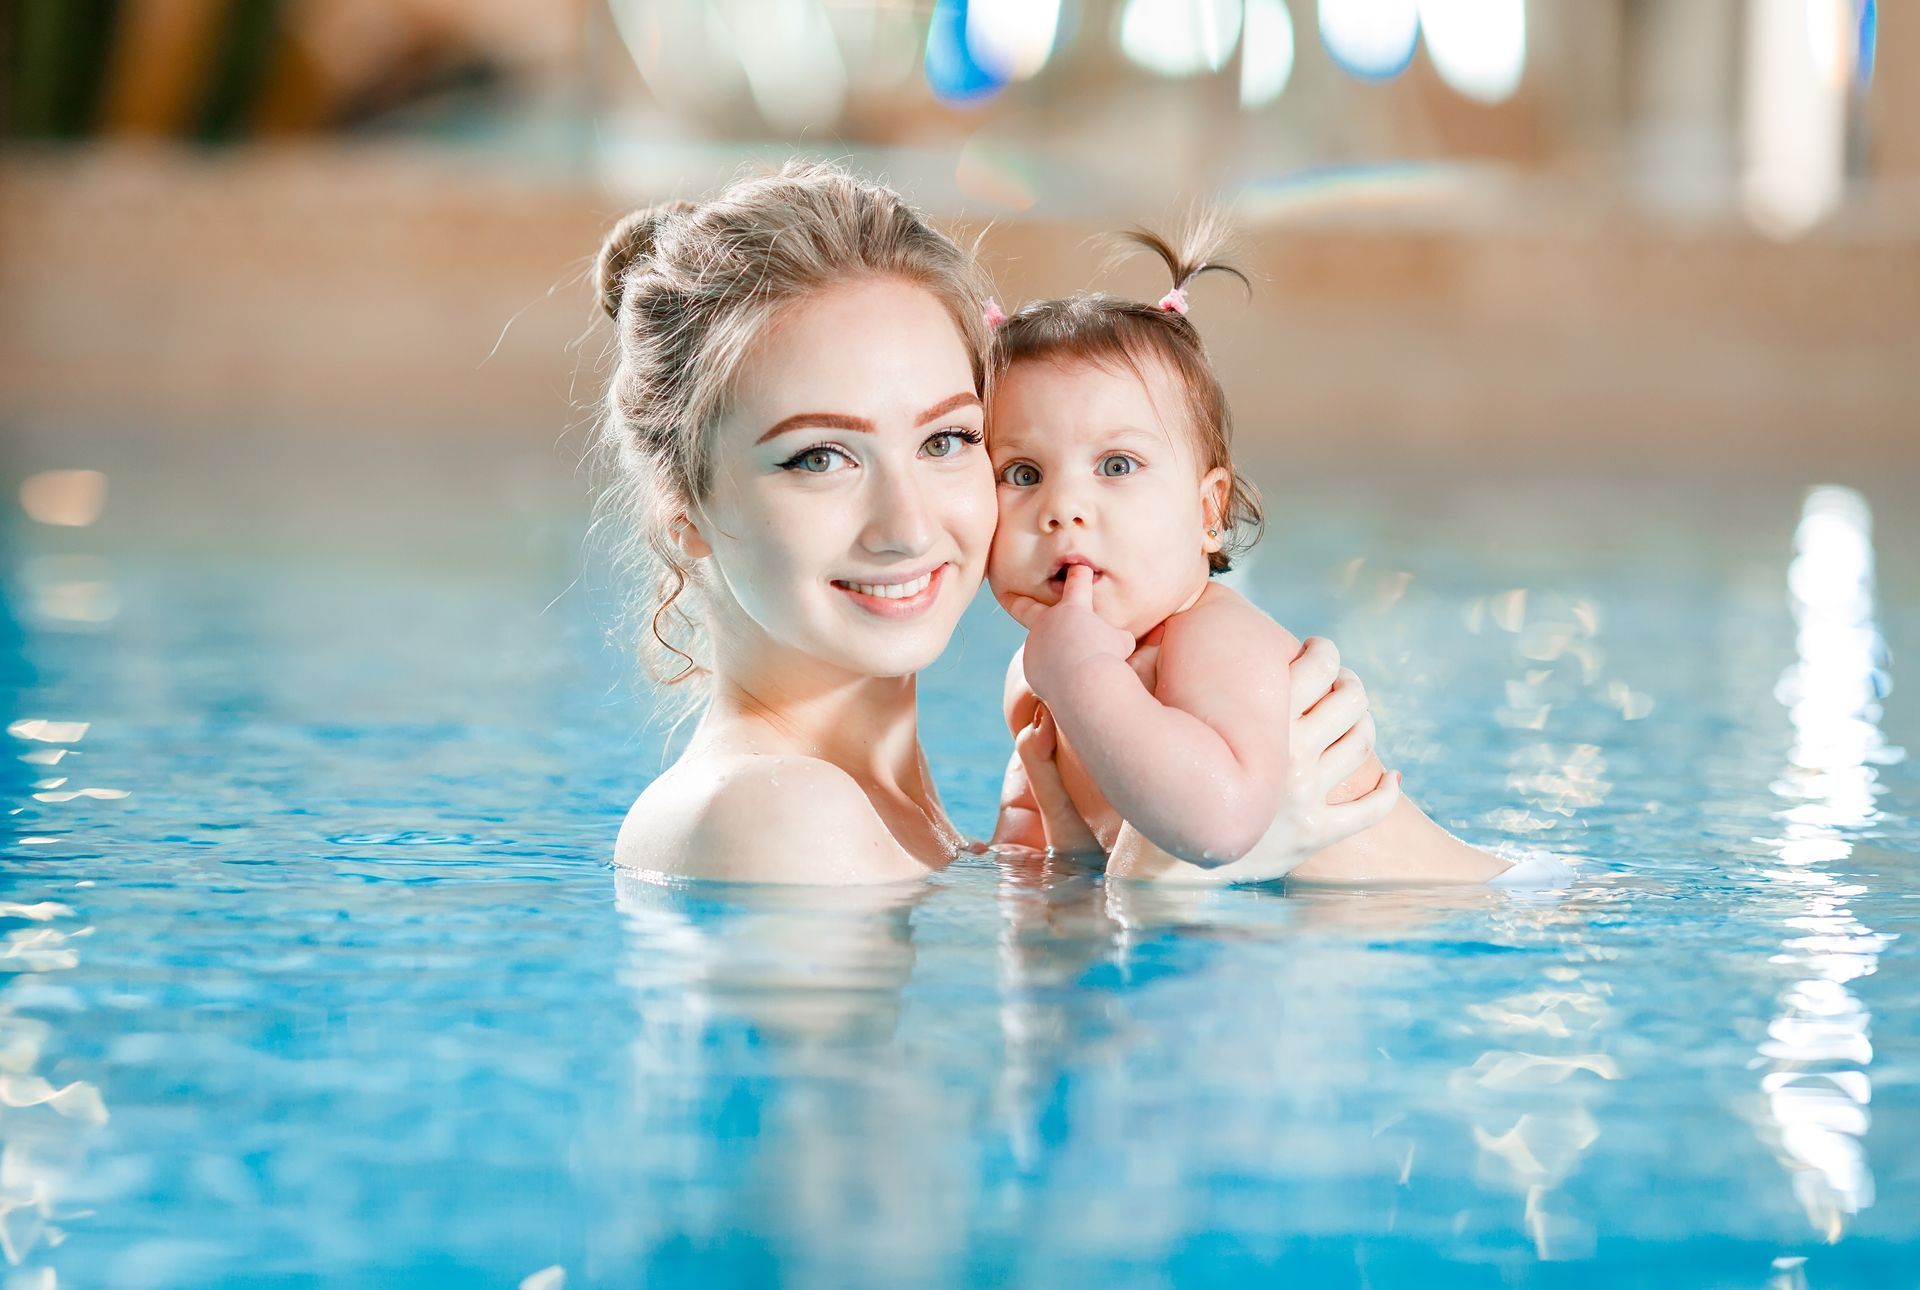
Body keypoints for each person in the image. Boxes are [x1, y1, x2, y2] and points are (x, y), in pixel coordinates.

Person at [595, 163, 1391, 883]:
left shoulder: (908, 810)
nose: (906, 526)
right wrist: (1178, 882)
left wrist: (1072, 878)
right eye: (819, 458)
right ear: (683, 514)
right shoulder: (775, 818)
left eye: (947, 440)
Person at [986, 222, 1564, 885]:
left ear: (1207, 513)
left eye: (1116, 464)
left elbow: (1219, 828)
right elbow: (1033, 856)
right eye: (1023, 474)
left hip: (1478, 905)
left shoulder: (1212, 643)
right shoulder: (1038, 674)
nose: (1064, 508)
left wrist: (1086, 678)